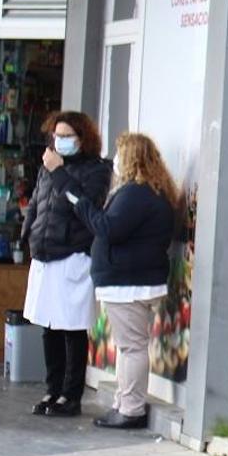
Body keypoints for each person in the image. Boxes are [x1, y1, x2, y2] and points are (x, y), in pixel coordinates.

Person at [69, 133, 177, 430]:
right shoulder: (148, 192)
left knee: (131, 348)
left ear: (129, 158)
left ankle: (131, 408)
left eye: (119, 153)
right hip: (131, 282)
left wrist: (82, 206)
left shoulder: (136, 193)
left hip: (129, 285)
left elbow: (109, 229)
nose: (114, 160)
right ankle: (124, 402)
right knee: (130, 346)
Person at [21, 111, 113, 418]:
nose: (59, 141)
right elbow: (37, 202)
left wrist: (60, 172)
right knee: (48, 325)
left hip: (72, 254)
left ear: (82, 139)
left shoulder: (96, 170)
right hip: (44, 252)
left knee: (71, 327)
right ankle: (53, 389)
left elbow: (83, 204)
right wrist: (28, 233)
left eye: (67, 136)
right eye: (56, 136)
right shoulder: (47, 167)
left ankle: (71, 396)